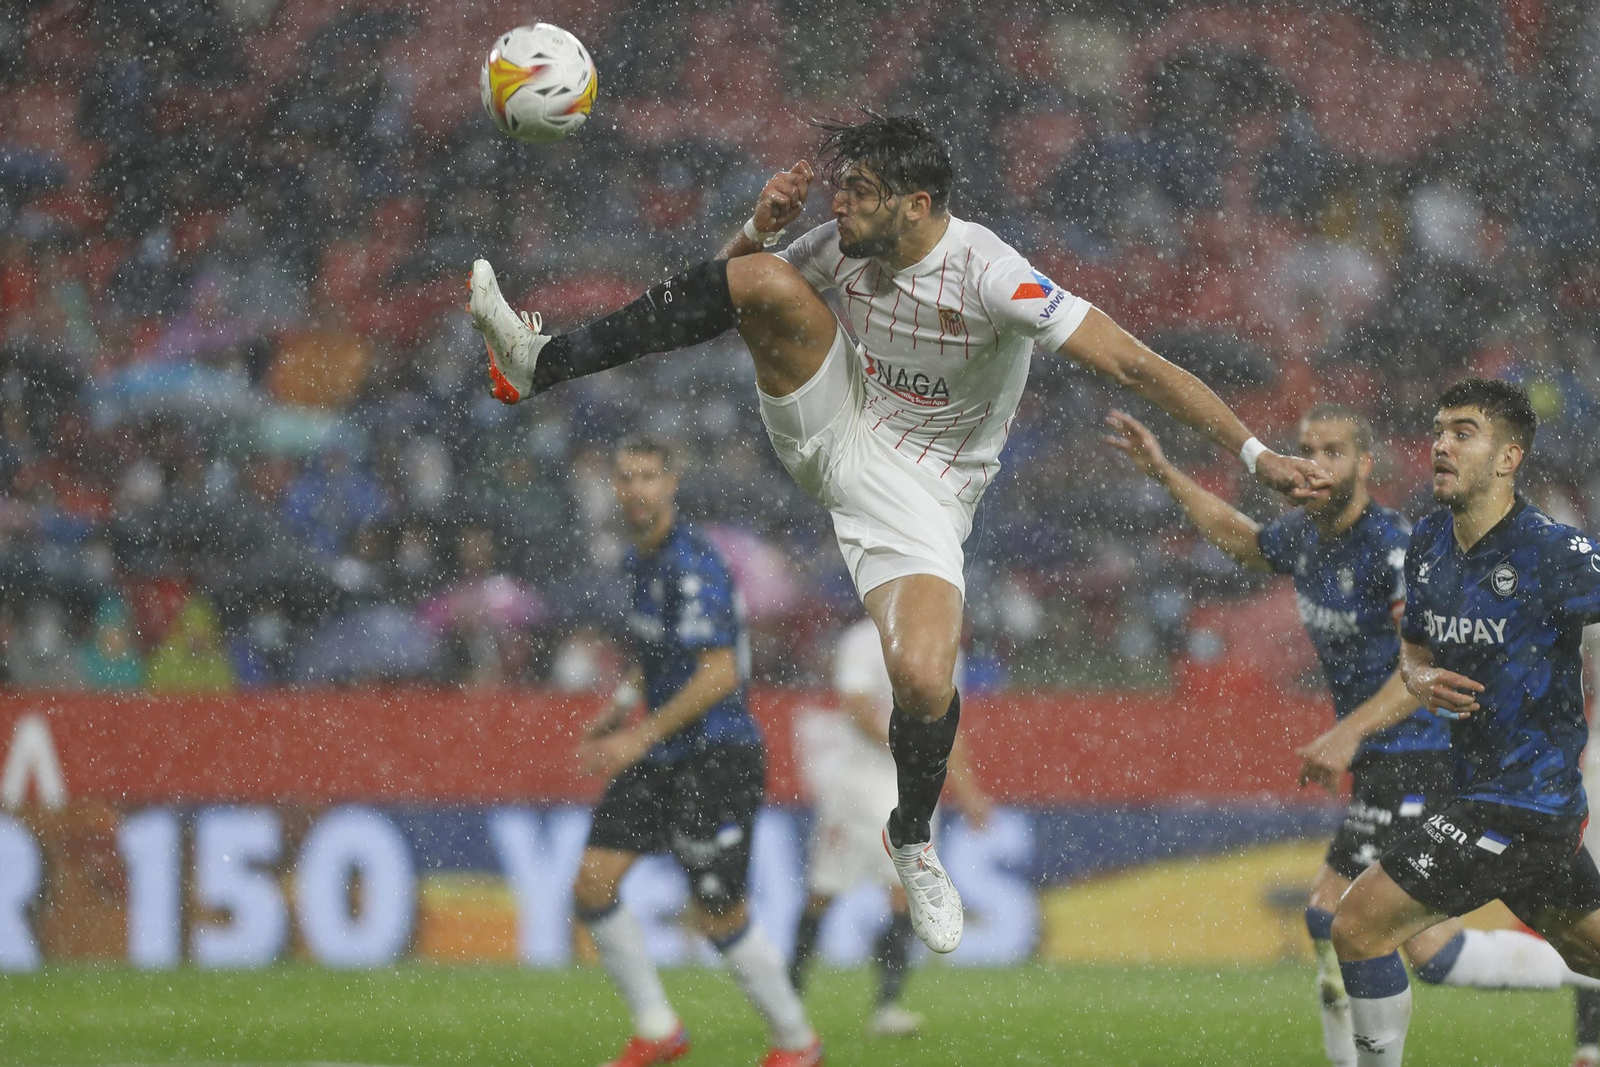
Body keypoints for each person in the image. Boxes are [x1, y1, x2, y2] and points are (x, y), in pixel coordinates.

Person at [469, 110, 1329, 954]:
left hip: (922, 496)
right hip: (836, 419)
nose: (837, 208)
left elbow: (1135, 363)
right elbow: (722, 295)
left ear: (917, 204)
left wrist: (1255, 455)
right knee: (767, 278)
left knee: (921, 678)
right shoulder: (845, 244)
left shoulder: (994, 276)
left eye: (860, 193)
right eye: (839, 189)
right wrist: (751, 230)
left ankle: (912, 835)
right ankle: (538, 362)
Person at [1107, 402, 1600, 1067]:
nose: (1314, 464)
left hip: (1423, 755)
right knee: (1385, 931)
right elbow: (1244, 540)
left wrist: (1348, 731)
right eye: (1305, 449)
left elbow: (1420, 671)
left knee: (1358, 925)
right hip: (1395, 762)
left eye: (1333, 451)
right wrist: (1166, 472)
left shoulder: (1396, 545)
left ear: (1365, 465)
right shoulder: (1311, 538)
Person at [1330, 378, 1600, 1064]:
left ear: (1509, 457)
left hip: (1526, 806)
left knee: (1358, 925)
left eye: (1463, 431)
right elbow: (1414, 648)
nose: (1441, 444)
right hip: (1479, 793)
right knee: (1584, 947)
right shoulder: (1428, 543)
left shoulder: (1553, 553)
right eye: (1438, 429)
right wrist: (1418, 676)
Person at [572, 436, 821, 1067]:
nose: (637, 490)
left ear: (671, 484)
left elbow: (718, 675)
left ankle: (797, 1045)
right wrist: (623, 701)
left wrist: (638, 733)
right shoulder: (639, 562)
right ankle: (658, 1030)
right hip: (661, 755)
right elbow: (654, 651)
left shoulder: (693, 563)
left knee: (718, 913)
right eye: (625, 477)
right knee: (594, 883)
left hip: (717, 756)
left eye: (649, 477)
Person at [789, 616, 991, 1037]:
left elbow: (947, 728)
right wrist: (910, 744)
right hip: (859, 784)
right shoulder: (864, 640)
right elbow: (857, 709)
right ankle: (788, 993)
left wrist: (968, 792)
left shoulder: (946, 649)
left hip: (912, 786)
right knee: (823, 893)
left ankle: (887, 1005)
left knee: (905, 893)